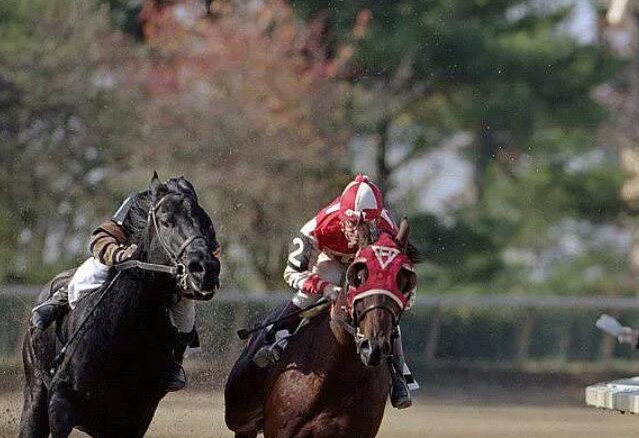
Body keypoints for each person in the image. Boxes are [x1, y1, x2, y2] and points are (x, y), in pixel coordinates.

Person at [29, 181, 216, 391]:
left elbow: (211, 255)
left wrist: (197, 281)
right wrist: (119, 254)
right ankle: (60, 299)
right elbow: (100, 237)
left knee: (186, 315)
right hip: (123, 266)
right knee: (93, 270)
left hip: (168, 280)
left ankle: (173, 364)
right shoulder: (138, 203)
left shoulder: (196, 219)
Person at [252, 174, 416, 409]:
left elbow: (402, 276)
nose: (357, 232)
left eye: (366, 225)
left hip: (370, 263)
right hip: (330, 260)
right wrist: (325, 287)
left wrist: (399, 297)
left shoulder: (387, 228)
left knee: (380, 302)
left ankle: (398, 374)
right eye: (352, 223)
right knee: (307, 296)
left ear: (377, 220)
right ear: (342, 216)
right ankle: (275, 340)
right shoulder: (318, 226)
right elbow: (291, 273)